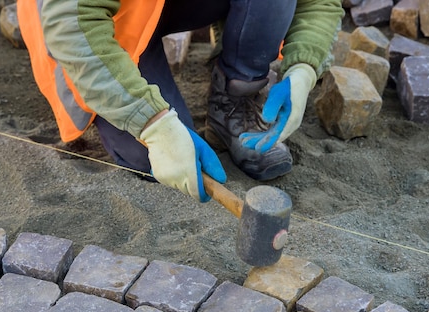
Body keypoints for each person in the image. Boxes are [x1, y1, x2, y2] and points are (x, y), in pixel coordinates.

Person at [17, 0, 344, 203]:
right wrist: (150, 121)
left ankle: (232, 103)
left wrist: (304, 66)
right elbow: (70, 26)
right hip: (103, 21)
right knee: (155, 157)